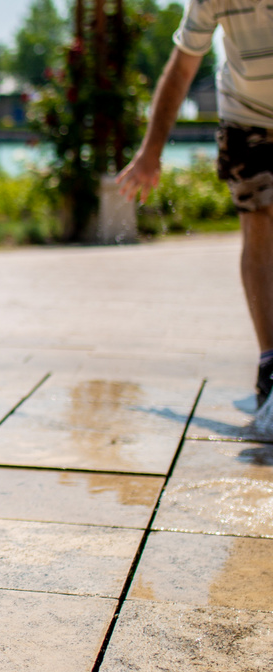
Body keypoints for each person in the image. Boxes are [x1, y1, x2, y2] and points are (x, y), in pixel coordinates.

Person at [116, 2, 273, 406]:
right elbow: (183, 66)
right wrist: (151, 151)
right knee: (259, 220)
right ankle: (270, 360)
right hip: (246, 115)